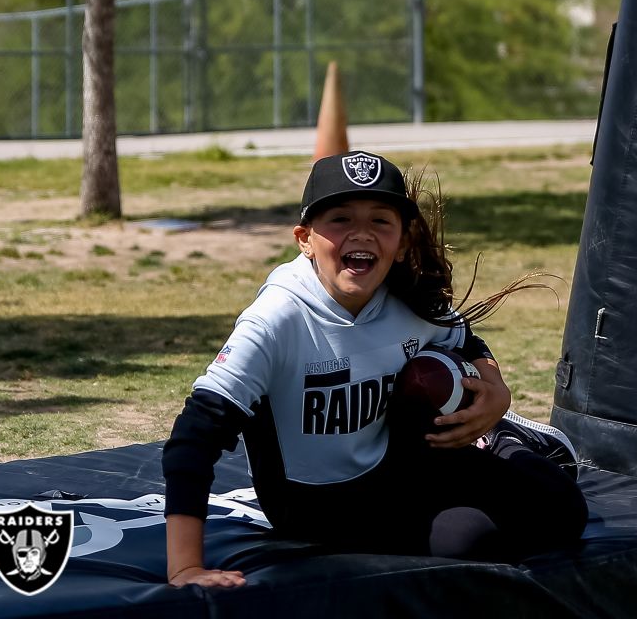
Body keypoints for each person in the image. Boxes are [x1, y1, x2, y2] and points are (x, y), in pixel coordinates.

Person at [162, 150, 588, 588]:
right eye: (340, 219)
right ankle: (490, 449)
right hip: (311, 508)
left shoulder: (407, 296)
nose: (361, 234)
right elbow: (193, 438)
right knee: (471, 542)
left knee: (564, 511)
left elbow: (464, 340)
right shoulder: (277, 319)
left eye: (380, 221)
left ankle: (502, 441)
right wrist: (186, 567)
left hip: (402, 462)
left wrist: (496, 391)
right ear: (304, 238)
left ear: (402, 241)